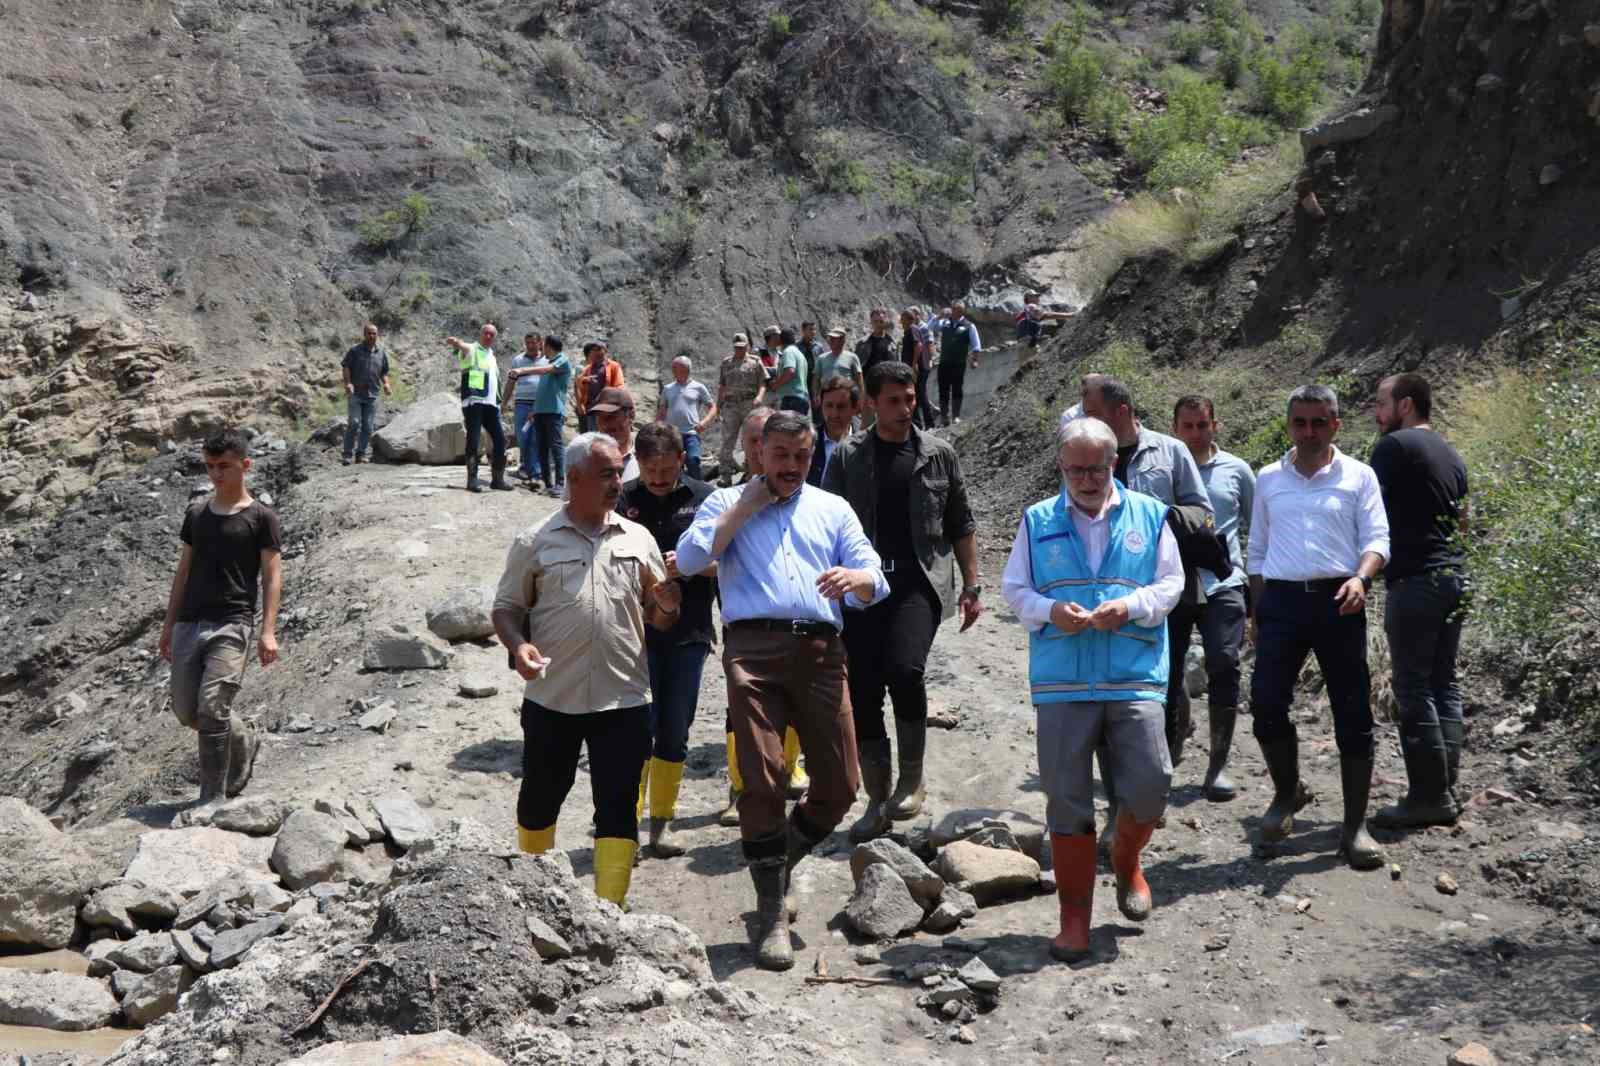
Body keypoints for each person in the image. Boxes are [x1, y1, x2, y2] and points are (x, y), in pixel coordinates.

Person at [676, 410, 889, 970]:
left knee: (841, 785)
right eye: (780, 456)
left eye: (801, 457)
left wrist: (856, 579)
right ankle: (770, 908)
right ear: (760, 454)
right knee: (763, 775)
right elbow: (693, 559)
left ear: (812, 454)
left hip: (822, 653)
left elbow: (875, 575)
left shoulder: (832, 508)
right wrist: (747, 506)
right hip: (753, 651)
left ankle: (779, 859)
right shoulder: (725, 501)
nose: (791, 467)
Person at [1001, 417, 1183, 962]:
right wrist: (1050, 610)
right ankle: (1074, 920)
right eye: (1075, 469)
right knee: (1067, 802)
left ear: (1114, 465)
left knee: (1152, 783)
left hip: (1134, 674)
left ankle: (1126, 859)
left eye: (1096, 468)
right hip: (1062, 683)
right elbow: (1015, 589)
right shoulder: (1036, 522)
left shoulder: (1150, 516)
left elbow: (1171, 583)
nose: (1085, 479)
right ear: (1061, 466)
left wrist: (1131, 606)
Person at [490, 432, 683, 907]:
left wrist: (668, 607)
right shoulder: (534, 540)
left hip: (624, 700)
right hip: (553, 698)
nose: (618, 482)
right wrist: (518, 648)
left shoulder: (639, 539)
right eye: (606, 473)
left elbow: (658, 617)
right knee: (539, 799)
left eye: (620, 472)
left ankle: (610, 912)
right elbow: (506, 609)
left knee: (618, 808)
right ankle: (535, 901)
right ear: (574, 478)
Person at [823, 361, 982, 842]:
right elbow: (825, 522)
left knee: (906, 668)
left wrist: (972, 586)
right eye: (892, 400)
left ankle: (912, 777)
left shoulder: (939, 454)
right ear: (870, 402)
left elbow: (961, 523)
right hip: (862, 586)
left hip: (919, 584)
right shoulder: (848, 457)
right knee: (865, 688)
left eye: (909, 398)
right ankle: (876, 798)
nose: (903, 408)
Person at [1247, 385, 1390, 870]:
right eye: (1299, 423)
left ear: (1336, 425)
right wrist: (1256, 610)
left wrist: (1362, 577)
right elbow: (1258, 548)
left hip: (1340, 601)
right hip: (1283, 602)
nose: (1308, 432)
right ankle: (1288, 793)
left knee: (1352, 713)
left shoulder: (1359, 476)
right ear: (1288, 425)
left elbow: (1377, 539)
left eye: (1318, 422)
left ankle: (1354, 828)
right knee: (1265, 702)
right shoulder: (1268, 478)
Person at [1081, 376, 1212, 766]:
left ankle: (1159, 775)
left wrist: (1157, 515)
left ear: (1120, 411)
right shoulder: (1087, 457)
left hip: (1165, 589)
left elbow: (1203, 514)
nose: (1085, 419)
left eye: (1093, 412)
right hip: (1101, 591)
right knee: (1106, 681)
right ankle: (1118, 774)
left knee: (1165, 683)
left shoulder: (1170, 451)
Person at [159, 429, 281, 825]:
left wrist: (267, 630)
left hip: (232, 623)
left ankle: (211, 798)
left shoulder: (261, 518)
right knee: (185, 710)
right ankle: (242, 738)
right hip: (189, 623)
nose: (216, 474)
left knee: (212, 707)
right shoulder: (196, 514)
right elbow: (182, 572)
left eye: (224, 466)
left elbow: (272, 576)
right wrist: (167, 626)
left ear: (245, 466)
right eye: (210, 467)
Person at [1369, 372, 1469, 828]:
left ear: (1405, 405)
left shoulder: (1394, 448)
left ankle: (1429, 797)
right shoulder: (1450, 451)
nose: (1377, 412)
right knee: (1442, 683)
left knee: (1412, 688)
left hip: (1416, 581)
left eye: (1382, 403)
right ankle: (1446, 789)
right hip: (1454, 576)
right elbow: (1463, 519)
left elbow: (1370, 511)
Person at [621, 425, 717, 857]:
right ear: (637, 464)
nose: (658, 479)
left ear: (682, 459)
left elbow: (731, 558)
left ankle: (661, 824)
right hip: (632, 633)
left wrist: (694, 566)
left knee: (675, 729)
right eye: (649, 469)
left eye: (666, 469)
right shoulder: (622, 499)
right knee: (634, 729)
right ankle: (624, 824)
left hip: (690, 631)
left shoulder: (706, 498)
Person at [719, 406, 810, 822]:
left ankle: (790, 767)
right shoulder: (727, 499)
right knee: (740, 710)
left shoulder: (806, 499)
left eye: (765, 440)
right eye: (754, 441)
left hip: (798, 629)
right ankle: (741, 786)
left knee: (795, 703)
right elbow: (703, 555)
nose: (759, 449)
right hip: (745, 630)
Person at [1169, 395, 1255, 801]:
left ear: (1214, 425)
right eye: (1188, 426)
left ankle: (1218, 765)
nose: (1196, 433)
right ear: (1175, 429)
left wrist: (1258, 586)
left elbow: (1259, 525)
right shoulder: (1164, 468)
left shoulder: (1236, 470)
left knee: (1224, 661)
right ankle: (1172, 746)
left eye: (1202, 425)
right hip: (1176, 584)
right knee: (1167, 670)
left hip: (1225, 582)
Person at [446, 323, 513, 493]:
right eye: (486, 333)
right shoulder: (471, 348)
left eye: (492, 334)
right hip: (474, 402)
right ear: (480, 334)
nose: (489, 336)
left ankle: (497, 479)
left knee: (500, 440)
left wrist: (499, 403)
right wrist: (456, 342)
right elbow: (462, 346)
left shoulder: (492, 356)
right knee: (473, 439)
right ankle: (472, 480)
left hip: (491, 404)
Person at [716, 333, 768, 486]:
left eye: (742, 347)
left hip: (748, 404)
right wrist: (718, 406)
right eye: (736, 347)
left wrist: (759, 397)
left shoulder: (755, 362)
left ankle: (749, 472)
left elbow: (763, 383)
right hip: (731, 405)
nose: (739, 349)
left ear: (747, 346)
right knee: (727, 440)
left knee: (750, 439)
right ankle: (725, 474)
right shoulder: (726, 363)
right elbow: (722, 386)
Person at [657, 356, 718, 481]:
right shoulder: (668, 389)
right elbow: (662, 411)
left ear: (686, 369)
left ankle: (698, 491)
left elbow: (713, 407)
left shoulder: (698, 387)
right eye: (673, 367)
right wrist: (657, 429)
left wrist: (704, 423)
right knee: (673, 464)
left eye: (676, 367)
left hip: (691, 433)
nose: (673, 370)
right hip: (671, 434)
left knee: (693, 460)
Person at [341, 322, 392, 465]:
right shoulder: (355, 351)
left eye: (374, 333)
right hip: (356, 394)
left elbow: (384, 372)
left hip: (373, 395)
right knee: (354, 423)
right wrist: (348, 383)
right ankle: (346, 454)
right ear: (364, 334)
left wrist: (387, 384)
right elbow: (346, 367)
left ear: (377, 335)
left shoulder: (381, 353)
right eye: (369, 333)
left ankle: (361, 454)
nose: (371, 336)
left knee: (368, 426)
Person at [531, 336, 573, 499]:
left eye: (543, 346)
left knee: (556, 447)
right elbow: (542, 390)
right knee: (541, 448)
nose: (542, 349)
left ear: (549, 346)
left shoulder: (562, 360)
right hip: (540, 411)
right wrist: (534, 410)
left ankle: (560, 484)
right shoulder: (547, 362)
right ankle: (548, 484)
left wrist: (522, 371)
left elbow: (545, 371)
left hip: (554, 411)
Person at [507, 332, 547, 485]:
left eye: (533, 342)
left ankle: (535, 474)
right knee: (522, 437)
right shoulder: (518, 360)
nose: (530, 346)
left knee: (536, 438)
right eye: (527, 343)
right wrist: (505, 402)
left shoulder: (547, 360)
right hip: (521, 403)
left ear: (540, 343)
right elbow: (511, 382)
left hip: (540, 404)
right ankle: (528, 469)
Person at [807, 375, 858, 488]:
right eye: (829, 406)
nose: (834, 414)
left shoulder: (867, 442)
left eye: (841, 407)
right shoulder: (808, 441)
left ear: (854, 408)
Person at [936, 303, 981, 426]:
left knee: (957, 388)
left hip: (958, 363)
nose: (956, 312)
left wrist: (975, 359)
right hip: (944, 362)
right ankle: (944, 416)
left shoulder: (969, 326)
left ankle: (956, 416)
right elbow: (931, 326)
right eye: (954, 309)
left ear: (963, 311)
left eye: (959, 310)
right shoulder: (945, 323)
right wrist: (939, 316)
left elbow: (976, 345)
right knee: (943, 389)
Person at [591, 387, 641, 484]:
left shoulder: (646, 457)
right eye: (600, 417)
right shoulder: (586, 459)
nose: (605, 424)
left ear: (631, 416)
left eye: (612, 416)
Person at [810, 327, 863, 419]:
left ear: (843, 340)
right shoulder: (821, 358)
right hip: (827, 398)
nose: (831, 341)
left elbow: (859, 380)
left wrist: (861, 398)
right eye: (830, 339)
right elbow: (816, 379)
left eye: (834, 339)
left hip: (846, 398)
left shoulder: (852, 357)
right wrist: (815, 395)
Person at [574, 341, 624, 434]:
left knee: (606, 436)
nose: (596, 352)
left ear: (605, 351)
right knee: (592, 437)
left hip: (606, 408)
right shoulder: (588, 368)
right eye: (594, 350)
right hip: (591, 408)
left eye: (599, 349)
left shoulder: (613, 366)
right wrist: (585, 380)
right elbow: (578, 383)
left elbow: (619, 386)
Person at [767, 327, 810, 416]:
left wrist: (775, 385)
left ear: (781, 339)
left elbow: (789, 371)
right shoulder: (800, 354)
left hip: (791, 399)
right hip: (802, 399)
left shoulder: (788, 352)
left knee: (788, 428)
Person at [907, 308, 937, 429]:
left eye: (912, 315)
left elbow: (929, 345)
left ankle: (929, 422)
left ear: (917, 315)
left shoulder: (923, 327)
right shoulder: (914, 328)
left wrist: (929, 360)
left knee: (921, 392)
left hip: (922, 364)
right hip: (920, 364)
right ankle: (925, 420)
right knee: (919, 393)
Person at [857, 307, 897, 378]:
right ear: (871, 322)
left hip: (887, 382)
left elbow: (896, 366)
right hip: (868, 382)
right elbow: (857, 366)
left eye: (881, 321)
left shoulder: (892, 344)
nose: (878, 324)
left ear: (885, 322)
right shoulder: (862, 343)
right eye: (875, 321)